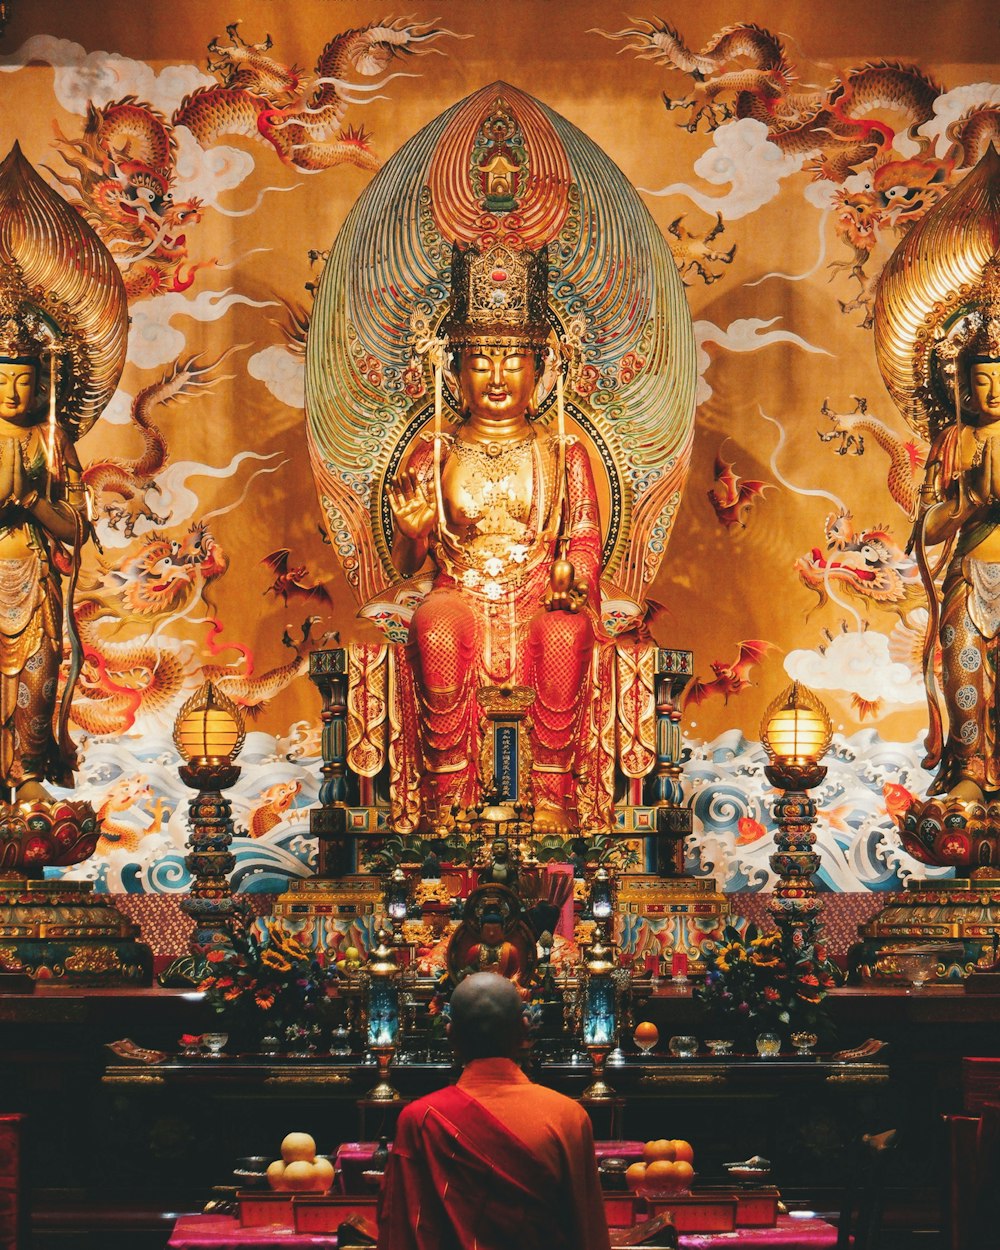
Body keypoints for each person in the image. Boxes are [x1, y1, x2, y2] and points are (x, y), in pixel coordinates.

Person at [389, 242, 602, 835]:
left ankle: (552, 795)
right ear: (456, 373)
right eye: (481, 361)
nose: (499, 376)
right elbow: (410, 565)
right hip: (459, 588)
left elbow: (583, 537)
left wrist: (572, 580)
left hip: (540, 591)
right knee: (434, 624)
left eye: (513, 360)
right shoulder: (437, 452)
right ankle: (449, 799)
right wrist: (414, 533)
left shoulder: (563, 453)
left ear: (541, 369)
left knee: (564, 632)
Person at [376, 971, 611, 1250]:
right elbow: (588, 1231)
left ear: (450, 1033)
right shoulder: (566, 1116)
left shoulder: (422, 1119)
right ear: (526, 1028)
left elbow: (401, 1233)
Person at [914, 257, 1000, 804]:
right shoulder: (953, 441)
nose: (992, 392)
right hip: (969, 576)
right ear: (964, 386)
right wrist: (966, 500)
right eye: (982, 381)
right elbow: (924, 532)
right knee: (964, 675)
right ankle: (969, 771)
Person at [0, 294, 90, 800]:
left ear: (41, 384)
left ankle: (28, 771)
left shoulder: (52, 437)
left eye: (23, 379)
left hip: (34, 575)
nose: (12, 390)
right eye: (2, 378)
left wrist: (34, 502)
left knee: (40, 670)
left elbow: (78, 526)